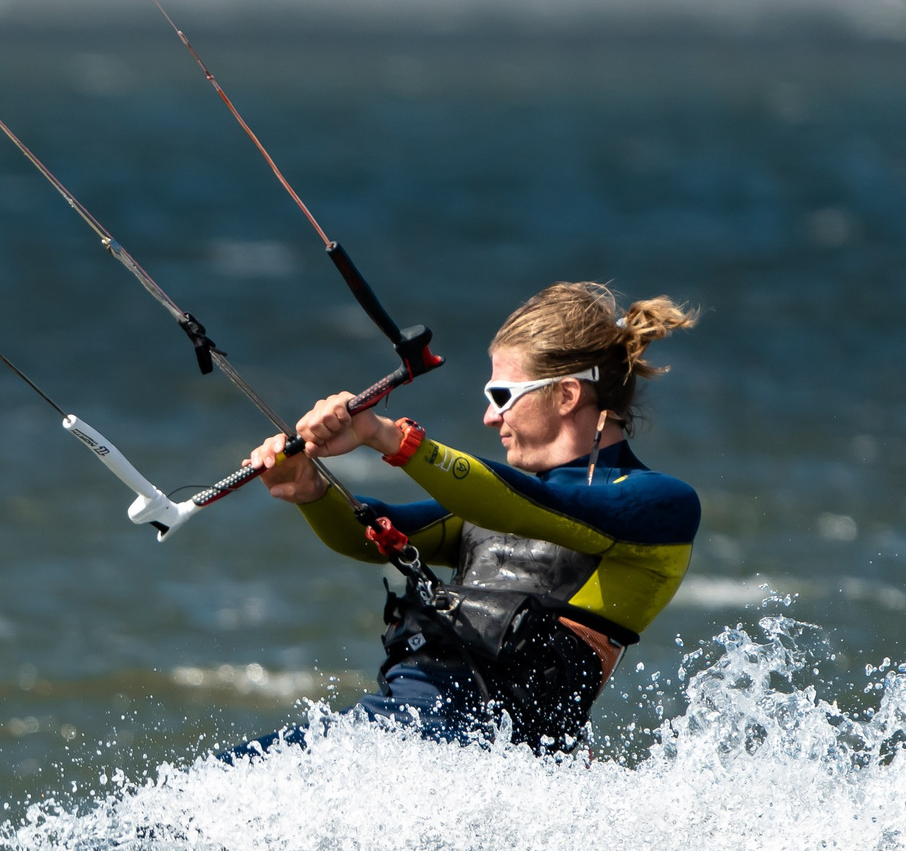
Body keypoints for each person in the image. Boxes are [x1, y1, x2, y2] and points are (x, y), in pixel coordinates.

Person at [239, 282, 700, 755]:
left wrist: (389, 438)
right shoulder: (493, 500)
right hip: (395, 723)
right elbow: (372, 534)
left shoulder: (659, 505)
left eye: (502, 395)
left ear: (565, 395)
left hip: (482, 756)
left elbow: (528, 508)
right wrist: (313, 490)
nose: (488, 417)